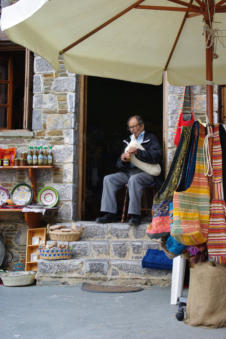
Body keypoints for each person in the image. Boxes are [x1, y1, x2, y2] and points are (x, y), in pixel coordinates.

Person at [96, 115, 162, 226]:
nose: (132, 130)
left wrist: (138, 152)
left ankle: (135, 215)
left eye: (134, 127)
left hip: (146, 173)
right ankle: (110, 213)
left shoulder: (151, 138)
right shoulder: (128, 141)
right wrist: (123, 160)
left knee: (134, 179)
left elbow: (156, 157)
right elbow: (119, 165)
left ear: (142, 126)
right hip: (129, 172)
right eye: (130, 127)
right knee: (109, 179)